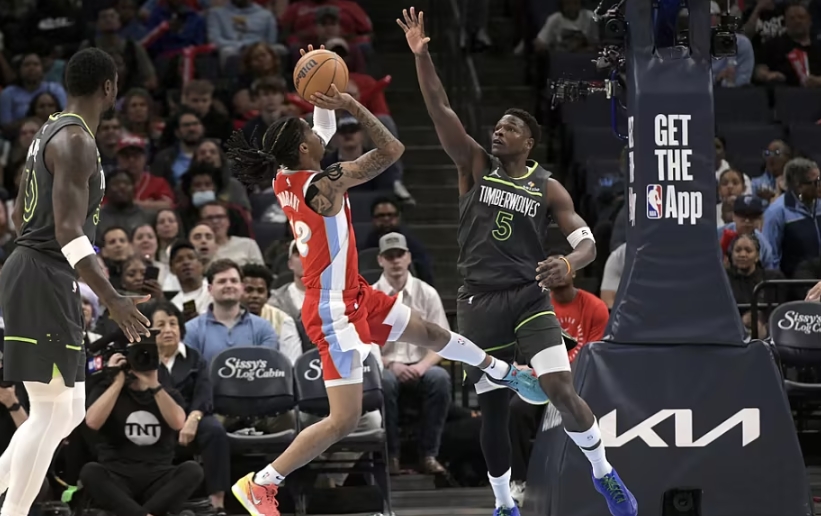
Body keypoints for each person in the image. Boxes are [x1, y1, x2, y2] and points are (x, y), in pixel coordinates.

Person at [224, 44, 547, 516]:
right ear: (304, 150)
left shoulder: (285, 177)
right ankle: (261, 484)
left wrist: (322, 90)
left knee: (430, 332)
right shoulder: (324, 184)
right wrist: (351, 102)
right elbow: (393, 149)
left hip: (354, 293)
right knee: (344, 419)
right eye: (309, 132)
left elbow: (320, 131)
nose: (318, 132)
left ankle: (505, 373)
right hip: (332, 311)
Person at [398, 8, 636, 516]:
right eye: (497, 126)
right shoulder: (474, 165)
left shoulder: (548, 186)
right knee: (494, 410)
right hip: (479, 301)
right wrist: (422, 56)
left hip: (529, 298)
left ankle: (604, 474)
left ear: (529, 142)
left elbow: (587, 242)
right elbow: (440, 106)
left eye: (510, 128)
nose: (498, 132)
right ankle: (505, 503)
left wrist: (569, 265)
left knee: (560, 389)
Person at [0, 48, 151, 516]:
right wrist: (112, 298)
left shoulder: (51, 130)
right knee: (49, 409)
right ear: (109, 87)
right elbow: (67, 231)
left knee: (67, 411)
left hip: (45, 271)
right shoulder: (75, 140)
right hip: (40, 272)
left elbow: (33, 220)